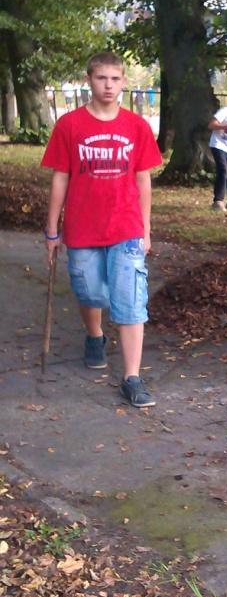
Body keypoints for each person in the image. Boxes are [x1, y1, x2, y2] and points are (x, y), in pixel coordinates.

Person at [41, 51, 162, 409]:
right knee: (90, 292)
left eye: (115, 79)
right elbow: (60, 178)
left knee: (129, 300)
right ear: (89, 80)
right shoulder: (70, 125)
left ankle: (132, 377)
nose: (108, 86)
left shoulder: (137, 126)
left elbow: (143, 180)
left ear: (124, 82)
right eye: (101, 79)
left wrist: (146, 229)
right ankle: (95, 335)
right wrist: (52, 231)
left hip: (125, 228)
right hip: (81, 229)